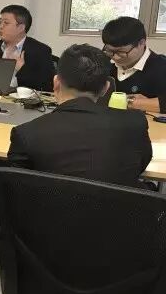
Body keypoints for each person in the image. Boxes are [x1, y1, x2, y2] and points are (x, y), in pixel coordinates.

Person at [8, 44, 152, 188]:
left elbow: (17, 186)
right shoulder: (135, 123)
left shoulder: (26, 134)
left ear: (56, 83)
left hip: (51, 202)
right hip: (119, 202)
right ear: (105, 88)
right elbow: (139, 166)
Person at [101, 16, 166, 113]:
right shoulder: (104, 66)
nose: (115, 57)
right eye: (110, 51)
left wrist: (130, 102)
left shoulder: (161, 67)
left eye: (121, 52)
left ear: (141, 43)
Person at [0, 4, 55, 92]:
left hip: (22, 99)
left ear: (21, 27)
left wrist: (21, 69)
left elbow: (46, 87)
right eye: (0, 22)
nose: (1, 26)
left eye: (6, 23)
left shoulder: (40, 51)